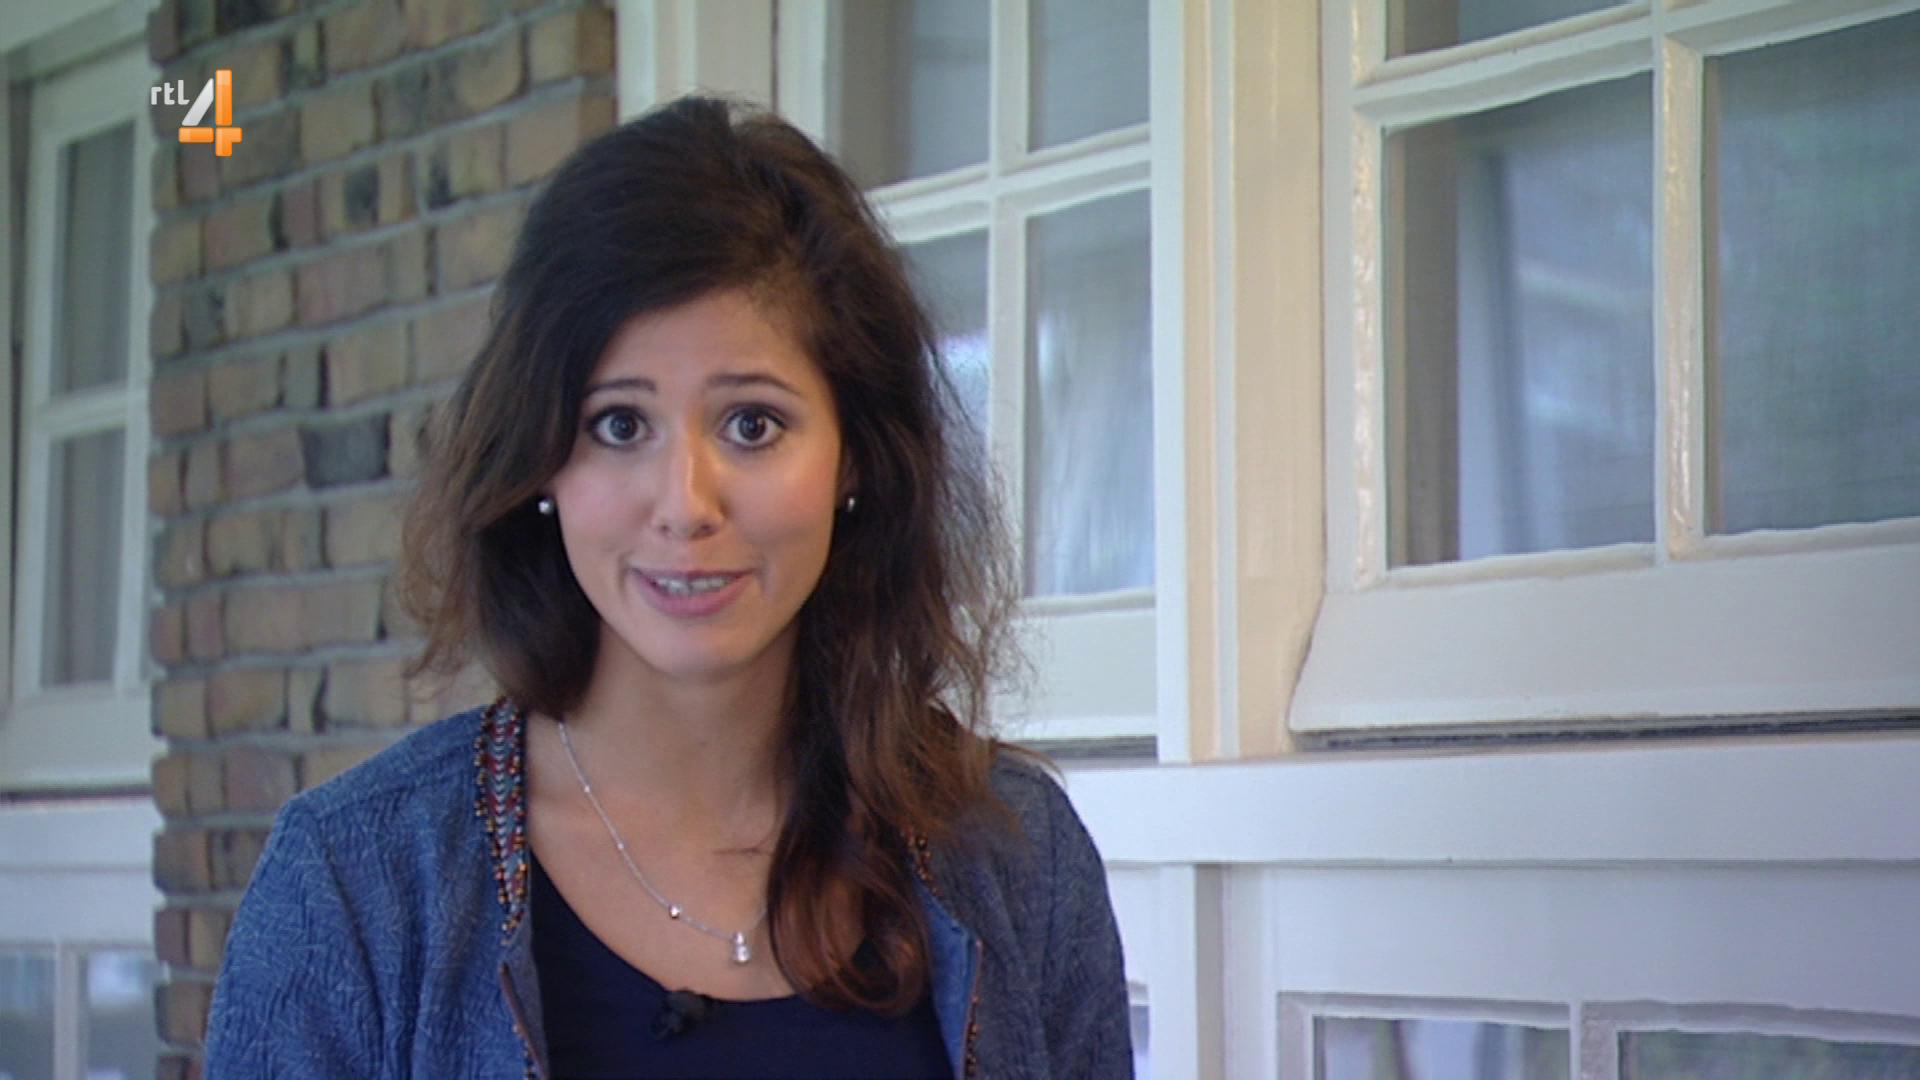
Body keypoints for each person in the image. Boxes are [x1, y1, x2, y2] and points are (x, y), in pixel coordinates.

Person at [201, 94, 1132, 1079]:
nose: (686, 505)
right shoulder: (353, 882)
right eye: (619, 426)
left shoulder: (1018, 855)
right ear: (539, 461)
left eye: (752, 425)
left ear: (854, 455)